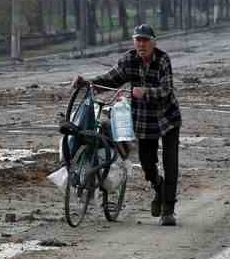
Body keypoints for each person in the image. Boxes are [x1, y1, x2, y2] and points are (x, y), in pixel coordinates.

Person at [73, 23, 182, 226]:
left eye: (145, 40)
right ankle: (158, 188)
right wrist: (88, 83)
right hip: (144, 121)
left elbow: (167, 89)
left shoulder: (163, 59)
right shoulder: (129, 60)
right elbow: (111, 79)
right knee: (147, 164)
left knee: (170, 164)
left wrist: (146, 92)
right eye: (138, 40)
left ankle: (169, 210)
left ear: (153, 42)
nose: (141, 44)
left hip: (167, 119)